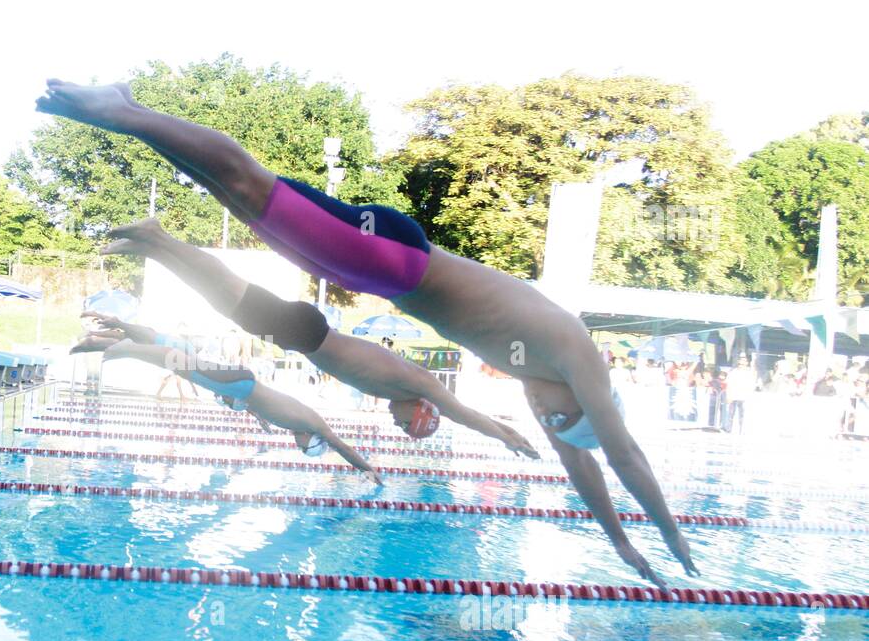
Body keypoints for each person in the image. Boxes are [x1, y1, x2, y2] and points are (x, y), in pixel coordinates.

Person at [39, 80, 692, 585]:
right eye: (559, 421)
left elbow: (585, 473)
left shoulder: (537, 377)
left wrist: (623, 543)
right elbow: (623, 458)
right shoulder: (575, 356)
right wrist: (673, 535)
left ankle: (135, 149)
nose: (545, 421)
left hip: (376, 271)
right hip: (392, 262)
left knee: (240, 197)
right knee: (248, 186)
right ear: (578, 405)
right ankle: (122, 109)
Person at [96, 219, 537, 455]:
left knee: (219, 294)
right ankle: (159, 238)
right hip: (307, 332)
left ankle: (156, 247)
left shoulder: (403, 390)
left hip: (302, 336)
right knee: (224, 288)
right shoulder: (425, 386)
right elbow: (467, 416)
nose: (395, 422)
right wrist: (507, 436)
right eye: (404, 423)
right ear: (422, 411)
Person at [73, 325, 382, 483]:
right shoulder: (313, 423)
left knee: (181, 361)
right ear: (311, 440)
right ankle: (127, 347)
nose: (299, 446)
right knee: (180, 363)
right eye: (304, 448)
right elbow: (344, 448)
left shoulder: (293, 422)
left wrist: (255, 413)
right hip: (239, 383)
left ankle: (118, 337)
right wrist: (367, 470)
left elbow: (266, 405)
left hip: (240, 384)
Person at [724, 356, 756, 433]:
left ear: (747, 363)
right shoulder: (733, 371)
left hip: (744, 398)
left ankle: (741, 431)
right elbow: (728, 384)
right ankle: (729, 430)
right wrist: (728, 395)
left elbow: (752, 385)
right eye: (740, 360)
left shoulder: (750, 373)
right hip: (733, 396)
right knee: (731, 414)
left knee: (742, 416)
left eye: (744, 361)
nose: (741, 362)